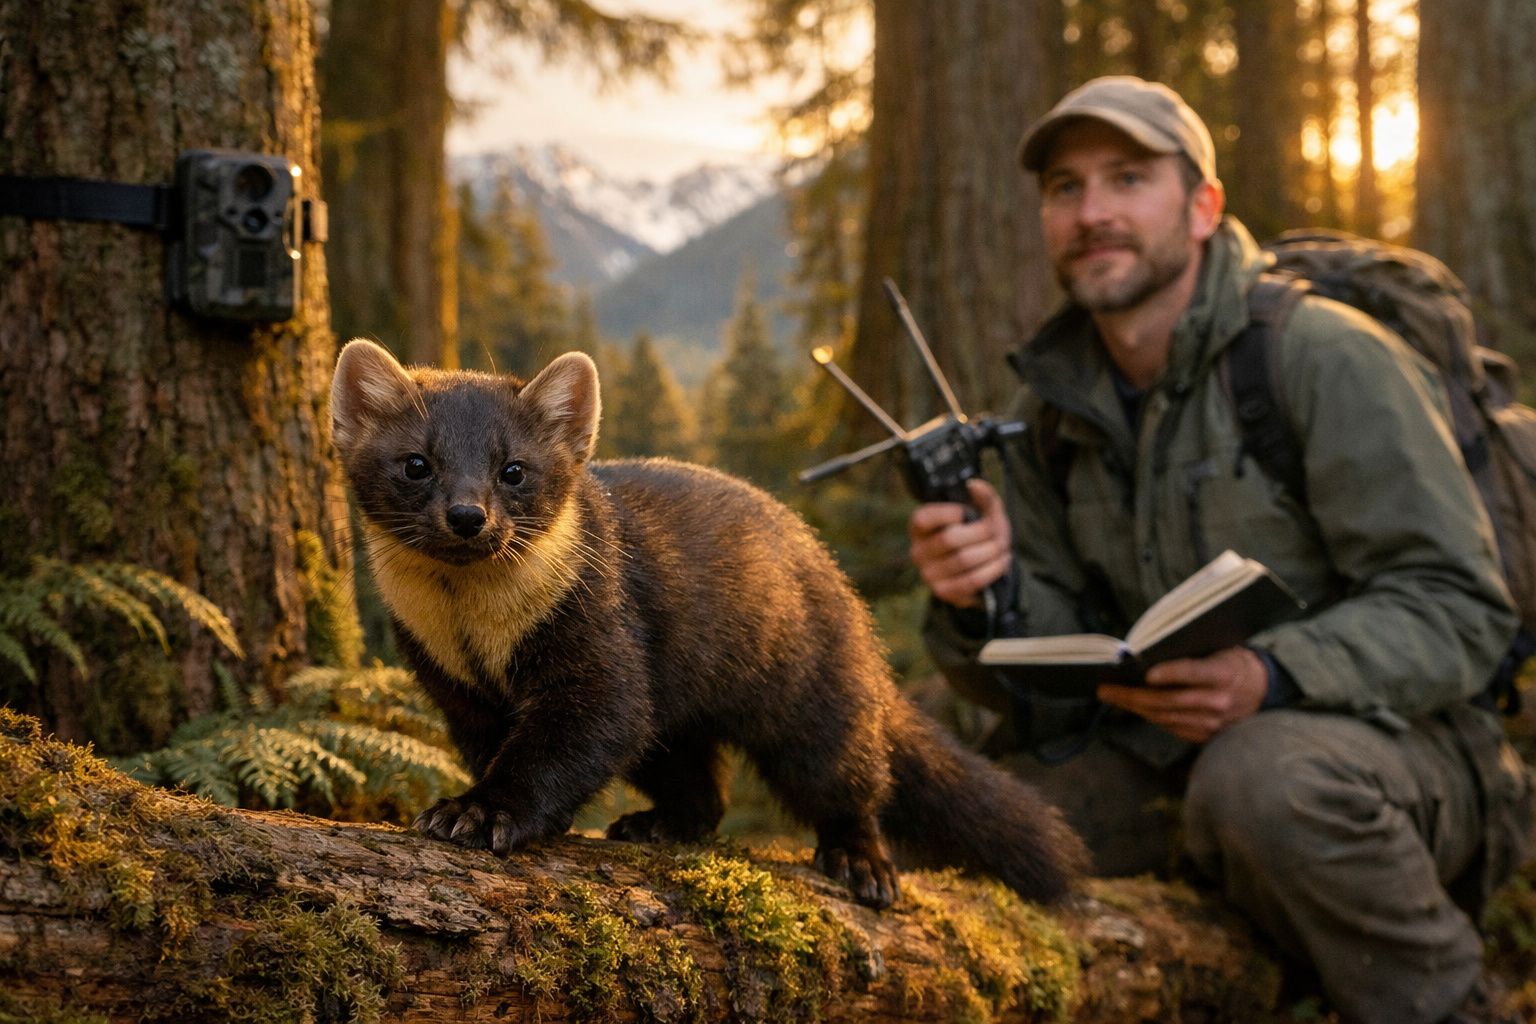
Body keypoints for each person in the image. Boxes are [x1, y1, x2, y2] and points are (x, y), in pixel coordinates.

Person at [910, 75, 1534, 1024]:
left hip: (1402, 756)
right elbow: (1034, 680)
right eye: (1066, 188)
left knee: (1268, 782)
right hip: (1162, 758)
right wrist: (978, 599)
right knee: (955, 819)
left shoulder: (1325, 357)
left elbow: (1460, 604)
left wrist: (1270, 673)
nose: (1093, 212)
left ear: (1202, 208)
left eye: (1128, 178)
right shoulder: (1049, 412)